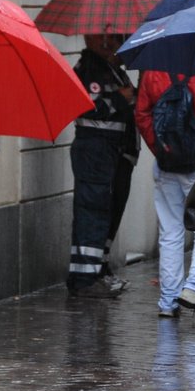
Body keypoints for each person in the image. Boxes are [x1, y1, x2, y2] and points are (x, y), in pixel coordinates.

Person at [134, 69, 195, 322]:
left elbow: (142, 114)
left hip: (166, 164)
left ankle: (168, 300)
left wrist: (161, 149)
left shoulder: (153, 72)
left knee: (170, 232)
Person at [69, 33, 138, 298]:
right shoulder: (87, 68)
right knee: (92, 212)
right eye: (103, 36)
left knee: (104, 212)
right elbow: (85, 106)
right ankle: (85, 278)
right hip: (94, 152)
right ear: (87, 36)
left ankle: (96, 269)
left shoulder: (112, 70)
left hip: (112, 153)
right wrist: (121, 99)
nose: (110, 42)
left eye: (115, 37)